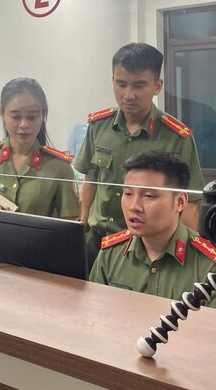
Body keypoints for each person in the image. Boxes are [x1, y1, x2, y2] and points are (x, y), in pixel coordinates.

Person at [74, 43, 204, 269]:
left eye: (139, 85)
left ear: (157, 86)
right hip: (98, 242)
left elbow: (190, 202)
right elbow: (91, 178)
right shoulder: (99, 126)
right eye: (121, 84)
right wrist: (82, 223)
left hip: (148, 248)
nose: (128, 95)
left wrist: (186, 255)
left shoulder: (176, 136)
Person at [89, 152, 216, 311]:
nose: (134, 206)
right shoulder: (111, 254)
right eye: (127, 194)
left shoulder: (215, 269)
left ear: (180, 202)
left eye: (148, 196)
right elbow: (95, 315)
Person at [0, 78, 79, 218]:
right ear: (2, 113)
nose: (24, 125)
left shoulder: (59, 167)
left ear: (43, 115)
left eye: (32, 117)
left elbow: (70, 223)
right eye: (15, 116)